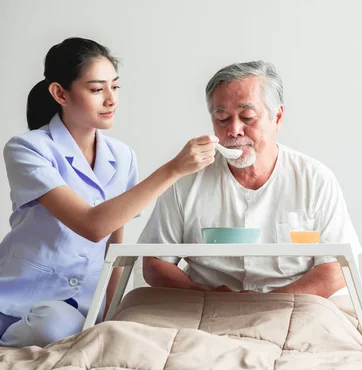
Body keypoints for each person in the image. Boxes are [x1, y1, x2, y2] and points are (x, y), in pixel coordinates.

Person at [0, 37, 217, 347]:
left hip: (76, 307)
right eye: (96, 89)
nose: (111, 99)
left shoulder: (122, 156)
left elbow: (115, 242)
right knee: (52, 329)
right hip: (17, 291)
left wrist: (110, 310)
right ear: (60, 93)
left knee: (60, 327)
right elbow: (92, 225)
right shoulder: (28, 148)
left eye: (115, 87)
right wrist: (174, 169)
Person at [139, 61, 361, 297]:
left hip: (295, 304)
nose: (234, 130)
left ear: (277, 117)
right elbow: (154, 263)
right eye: (222, 119)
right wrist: (209, 296)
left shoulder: (315, 179)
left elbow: (338, 269)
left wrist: (269, 302)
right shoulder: (186, 178)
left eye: (247, 117)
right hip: (205, 303)